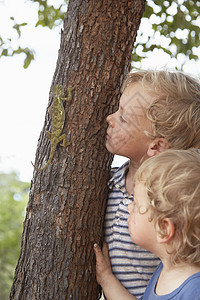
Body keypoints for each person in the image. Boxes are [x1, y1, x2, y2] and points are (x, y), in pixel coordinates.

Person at [103, 69, 200, 297]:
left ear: (156, 146)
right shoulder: (108, 181)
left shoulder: (174, 204)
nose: (110, 118)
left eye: (123, 117)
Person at [95, 149, 200, 299]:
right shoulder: (164, 271)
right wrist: (106, 278)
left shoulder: (194, 292)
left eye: (137, 204)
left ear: (164, 229)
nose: (129, 207)